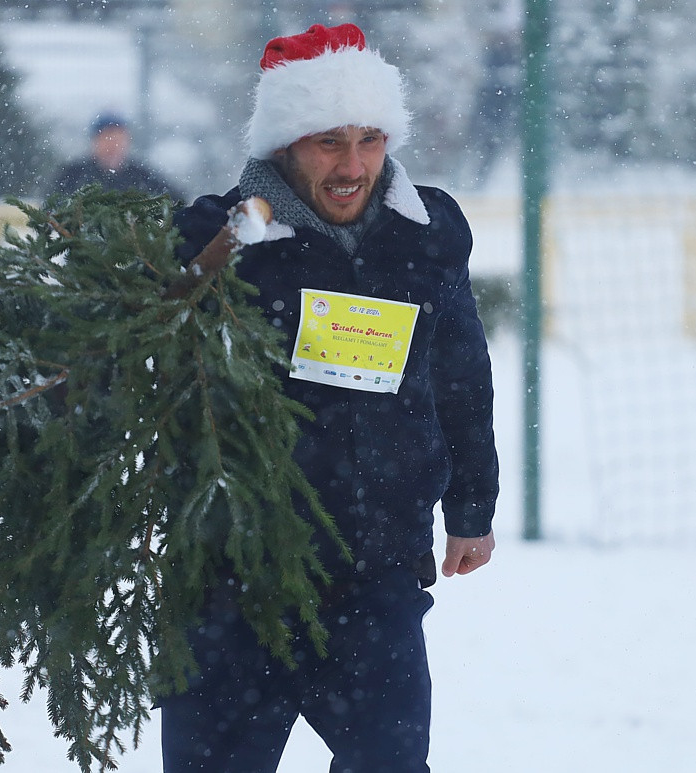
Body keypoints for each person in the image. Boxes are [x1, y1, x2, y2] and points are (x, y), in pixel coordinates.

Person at [164, 23, 499, 772]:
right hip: (229, 583)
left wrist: (472, 507)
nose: (354, 165)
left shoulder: (430, 228)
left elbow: (461, 372)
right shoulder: (215, 234)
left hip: (373, 575)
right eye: (327, 143)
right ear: (284, 144)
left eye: (371, 139)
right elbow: (139, 363)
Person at [50, 112, 185, 200]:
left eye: (119, 139)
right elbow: (52, 205)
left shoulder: (141, 175)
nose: (114, 145)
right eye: (108, 138)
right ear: (95, 141)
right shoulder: (74, 174)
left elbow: (176, 199)